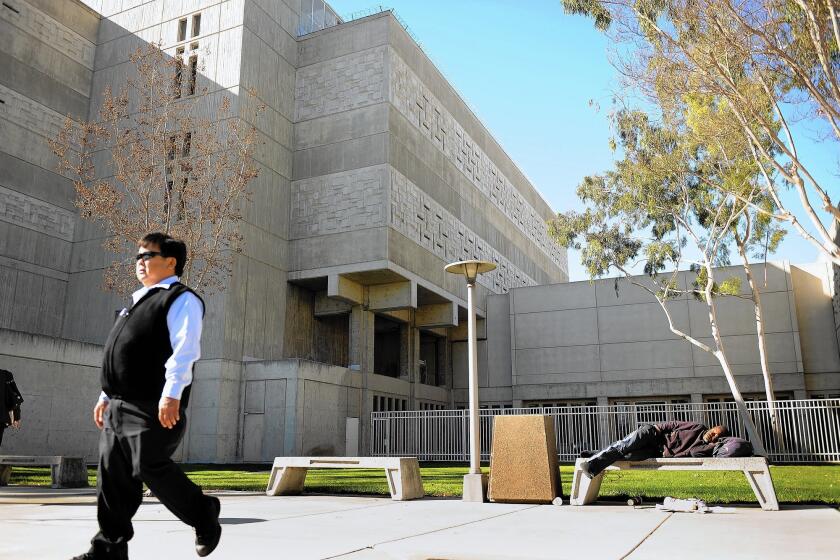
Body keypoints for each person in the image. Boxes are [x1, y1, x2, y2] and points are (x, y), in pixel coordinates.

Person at [72, 233, 221, 560]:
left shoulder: (180, 299)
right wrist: (105, 395)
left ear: (171, 261)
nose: (140, 262)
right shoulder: (133, 304)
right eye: (138, 256)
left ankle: (203, 512)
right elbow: (120, 355)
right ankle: (108, 548)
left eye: (148, 256)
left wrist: (172, 394)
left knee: (148, 464)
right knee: (112, 478)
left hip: (152, 405)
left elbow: (185, 350)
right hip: (118, 405)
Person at [579, 421, 729, 478]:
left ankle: (596, 454)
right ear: (713, 427)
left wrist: (712, 445)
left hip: (656, 452)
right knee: (625, 446)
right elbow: (673, 425)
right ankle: (592, 466)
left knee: (627, 454)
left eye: (718, 436)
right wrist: (655, 428)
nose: (714, 434)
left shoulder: (704, 448)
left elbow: (696, 453)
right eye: (716, 430)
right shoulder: (698, 427)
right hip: (652, 435)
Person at [1, 368, 23, 447]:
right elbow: (14, 396)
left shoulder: (5, 375)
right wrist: (16, 416)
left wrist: (16, 416)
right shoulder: (4, 375)